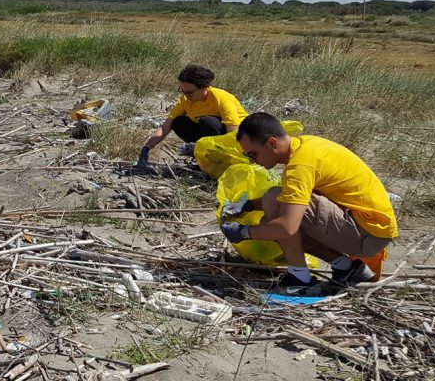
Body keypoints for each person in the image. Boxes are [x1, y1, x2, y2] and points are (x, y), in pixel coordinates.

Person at [221, 113, 397, 295]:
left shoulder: (300, 167)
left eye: (253, 154)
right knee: (276, 204)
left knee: (275, 209)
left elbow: (286, 228)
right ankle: (346, 268)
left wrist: (243, 232)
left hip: (368, 234)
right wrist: (248, 205)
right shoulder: (305, 145)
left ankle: (300, 279)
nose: (251, 160)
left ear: (272, 143)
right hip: (370, 228)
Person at [138, 64, 248, 168]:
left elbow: (233, 133)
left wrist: (231, 154)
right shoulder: (185, 101)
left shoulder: (222, 99)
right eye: (182, 91)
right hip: (212, 137)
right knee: (179, 122)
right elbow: (165, 127)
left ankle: (219, 159)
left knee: (208, 122)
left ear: (204, 87)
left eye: (190, 92)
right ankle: (205, 157)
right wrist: (146, 148)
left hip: (240, 138)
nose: (186, 95)